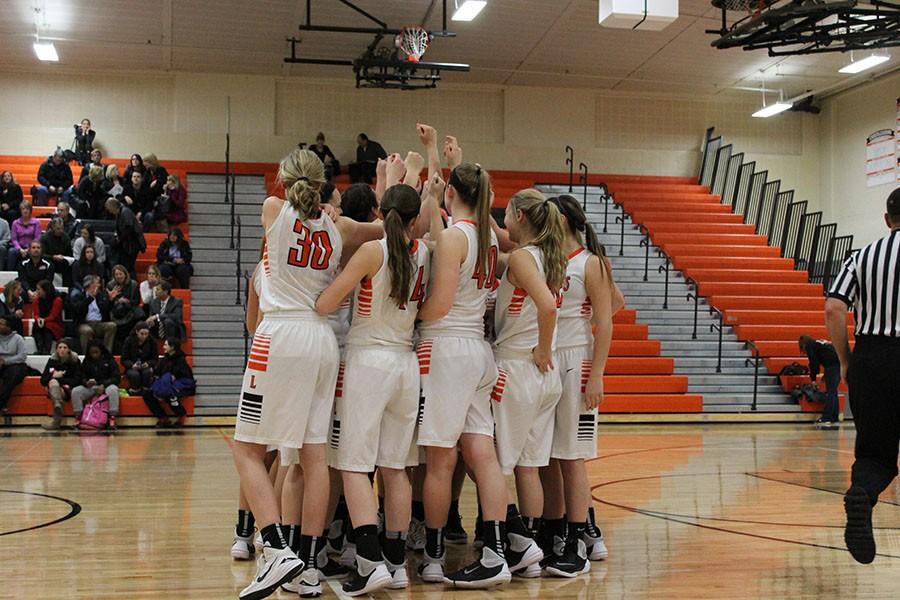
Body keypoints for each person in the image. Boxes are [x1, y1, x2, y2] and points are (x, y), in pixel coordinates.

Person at [232, 148, 382, 600]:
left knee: (247, 450)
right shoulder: (342, 227)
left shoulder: (272, 209)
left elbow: (287, 216)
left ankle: (276, 547)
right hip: (322, 341)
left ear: (283, 177)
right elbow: (384, 226)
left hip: (280, 336)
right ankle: (308, 568)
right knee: (315, 459)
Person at [315, 184, 430, 594]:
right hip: (406, 363)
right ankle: (396, 564)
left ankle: (368, 562)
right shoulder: (426, 253)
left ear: (381, 213)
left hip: (368, 361)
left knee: (353, 465)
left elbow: (326, 303)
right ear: (415, 220)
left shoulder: (372, 252)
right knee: (395, 468)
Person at [415, 163, 522, 588]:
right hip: (479, 350)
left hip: (449, 347)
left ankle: (436, 556)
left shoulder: (454, 237)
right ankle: (496, 552)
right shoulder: (487, 237)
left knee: (441, 458)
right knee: (482, 453)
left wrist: (407, 317)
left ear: (451, 193)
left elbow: (439, 305)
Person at [538, 194, 620, 575]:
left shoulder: (590, 263)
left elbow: (607, 320)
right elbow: (614, 301)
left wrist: (597, 374)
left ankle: (577, 540)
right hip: (555, 358)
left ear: (565, 221)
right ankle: (575, 531)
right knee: (554, 454)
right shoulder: (554, 258)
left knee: (571, 455)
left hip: (578, 360)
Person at [488, 189, 566, 579]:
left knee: (493, 463)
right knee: (528, 466)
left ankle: (508, 543)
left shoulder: (522, 257)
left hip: (519, 366)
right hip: (546, 377)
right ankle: (529, 546)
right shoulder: (550, 255)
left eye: (506, 212)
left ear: (519, 215)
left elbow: (548, 306)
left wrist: (542, 347)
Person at [826, 186, 900, 565]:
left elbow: (834, 308)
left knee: (876, 454)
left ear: (888, 220)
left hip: (872, 358)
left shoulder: (864, 255)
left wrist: (846, 361)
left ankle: (863, 491)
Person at [142, 337, 194, 428]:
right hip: (166, 383)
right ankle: (162, 417)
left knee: (169, 394)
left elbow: (179, 375)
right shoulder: (164, 359)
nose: (163, 347)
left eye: (165, 345)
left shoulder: (181, 360)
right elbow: (158, 373)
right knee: (147, 393)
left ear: (172, 347)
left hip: (183, 386)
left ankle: (181, 415)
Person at [71, 339, 120, 430]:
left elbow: (116, 377)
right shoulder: (87, 361)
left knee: (113, 389)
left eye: (96, 352)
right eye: (92, 353)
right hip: (91, 387)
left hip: (106, 386)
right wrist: (86, 382)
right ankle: (78, 417)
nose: (94, 355)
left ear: (101, 350)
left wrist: (104, 385)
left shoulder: (109, 360)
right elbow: (81, 376)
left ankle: (112, 418)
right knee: (76, 391)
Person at [798, 335, 841, 427]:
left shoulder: (810, 346)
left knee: (830, 392)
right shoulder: (818, 343)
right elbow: (830, 355)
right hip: (838, 364)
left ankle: (827, 417)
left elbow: (814, 362)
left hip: (832, 366)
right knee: (833, 391)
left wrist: (813, 379)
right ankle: (834, 415)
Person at [40, 338, 82, 430]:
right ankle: (57, 405)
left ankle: (56, 421)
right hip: (55, 388)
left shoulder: (75, 361)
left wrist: (60, 378)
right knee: (53, 382)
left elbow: (77, 380)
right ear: (56, 349)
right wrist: (53, 377)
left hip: (69, 389)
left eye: (64, 347)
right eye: (60, 347)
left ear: (69, 350)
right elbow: (43, 380)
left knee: (54, 384)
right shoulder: (52, 360)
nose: (62, 350)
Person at [74, 275, 116, 353]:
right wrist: (90, 298)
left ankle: (107, 353)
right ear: (89, 285)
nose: (99, 285)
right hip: (84, 323)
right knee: (87, 331)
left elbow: (106, 310)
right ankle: (85, 355)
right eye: (96, 283)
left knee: (112, 326)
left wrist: (110, 300)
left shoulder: (100, 296)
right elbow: (78, 310)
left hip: (99, 323)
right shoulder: (79, 295)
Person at [106, 198, 145, 276]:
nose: (109, 211)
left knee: (128, 267)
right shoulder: (120, 213)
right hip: (127, 243)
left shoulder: (125, 212)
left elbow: (129, 228)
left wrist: (119, 240)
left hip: (132, 244)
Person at [108, 264, 143, 351]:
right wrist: (113, 299)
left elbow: (137, 301)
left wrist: (127, 302)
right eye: (117, 274)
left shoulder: (134, 284)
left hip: (130, 310)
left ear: (125, 274)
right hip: (115, 311)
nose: (119, 276)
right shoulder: (110, 285)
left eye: (121, 274)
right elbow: (107, 303)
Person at [0, 316, 28, 420]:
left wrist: (5, 361)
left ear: (9, 327)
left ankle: (1, 402)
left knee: (13, 374)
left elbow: (22, 356)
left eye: (1, 324)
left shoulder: (18, 338)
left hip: (14, 365)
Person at [121, 322, 157, 395]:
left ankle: (145, 391)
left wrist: (148, 363)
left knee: (147, 372)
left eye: (146, 334)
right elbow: (124, 359)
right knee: (135, 375)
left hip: (146, 366)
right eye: (142, 334)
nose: (144, 336)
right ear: (137, 332)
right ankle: (135, 391)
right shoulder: (128, 340)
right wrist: (132, 365)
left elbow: (155, 359)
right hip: (132, 367)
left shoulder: (152, 341)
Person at [32, 280, 64, 355]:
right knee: (37, 326)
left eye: (38, 289)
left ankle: (46, 350)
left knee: (48, 326)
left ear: (45, 290)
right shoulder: (36, 300)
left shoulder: (57, 300)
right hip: (42, 322)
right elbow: (36, 314)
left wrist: (44, 320)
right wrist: (38, 319)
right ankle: (40, 349)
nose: (37, 291)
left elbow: (54, 316)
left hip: (55, 323)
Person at [7, 202, 42, 271]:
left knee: (35, 250)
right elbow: (14, 239)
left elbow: (37, 238)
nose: (25, 211)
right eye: (23, 209)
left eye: (27, 209)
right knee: (12, 251)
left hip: (32, 246)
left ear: (30, 210)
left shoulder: (36, 222)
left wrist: (28, 249)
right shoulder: (15, 223)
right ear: (20, 211)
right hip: (19, 247)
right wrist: (20, 250)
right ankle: (9, 273)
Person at [40, 217, 73, 287]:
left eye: (62, 228)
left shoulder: (66, 237)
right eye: (58, 228)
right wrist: (53, 257)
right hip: (48, 260)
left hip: (61, 261)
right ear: (53, 227)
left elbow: (69, 254)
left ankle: (67, 288)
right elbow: (41, 254)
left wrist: (64, 258)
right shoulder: (45, 238)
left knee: (69, 266)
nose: (61, 231)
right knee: (50, 265)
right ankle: (48, 286)